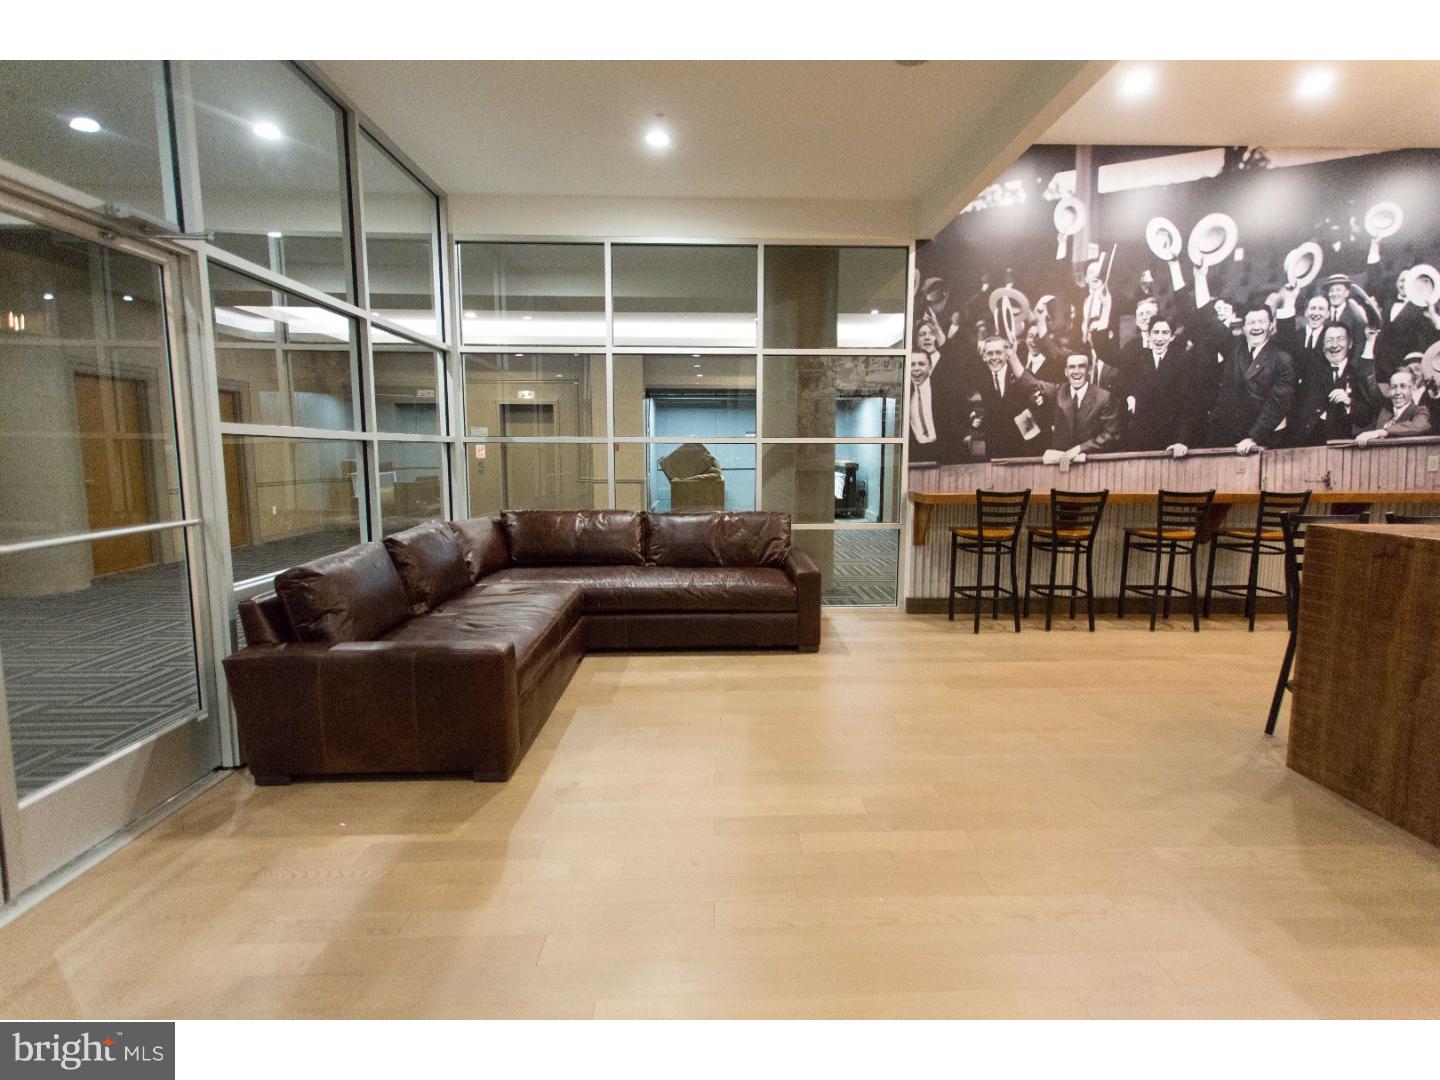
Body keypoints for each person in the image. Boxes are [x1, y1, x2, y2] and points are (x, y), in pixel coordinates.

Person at [1202, 304, 1296, 454]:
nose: (1256, 327)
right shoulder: (1234, 348)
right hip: (1227, 437)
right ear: (1243, 327)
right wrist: (1200, 281)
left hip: (1264, 439)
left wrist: (1253, 438)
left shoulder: (1282, 359)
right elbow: (1211, 321)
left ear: (1271, 325)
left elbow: (1277, 404)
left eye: (1262, 322)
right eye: (1251, 323)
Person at [1124, 316, 1202, 453]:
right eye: (1156, 332)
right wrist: (1130, 396)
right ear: (1148, 335)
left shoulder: (1183, 361)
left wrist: (1181, 441)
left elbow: (1189, 405)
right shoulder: (1139, 359)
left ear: (1172, 337)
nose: (1159, 338)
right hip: (1142, 440)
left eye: (1165, 333)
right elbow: (1127, 385)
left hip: (1171, 441)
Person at [1039, 353, 1123, 465]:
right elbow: (1032, 384)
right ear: (1066, 372)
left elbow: (1111, 435)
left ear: (1089, 370)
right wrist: (1011, 356)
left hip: (1093, 467)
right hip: (1063, 466)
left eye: (1081, 366)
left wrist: (1080, 449)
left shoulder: (1103, 397)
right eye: (1072, 367)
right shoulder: (1059, 391)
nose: (1076, 371)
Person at [973, 335, 1046, 459]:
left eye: (998, 353)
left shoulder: (1022, 376)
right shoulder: (982, 380)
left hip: (1023, 452)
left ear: (1007, 354)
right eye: (990, 353)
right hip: (995, 453)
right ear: (984, 356)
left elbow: (1039, 409)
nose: (994, 357)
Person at [1275, 295, 1334, 447]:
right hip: (1294, 410)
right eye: (1312, 308)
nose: (1316, 313)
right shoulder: (1295, 337)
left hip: (1319, 413)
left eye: (1321, 309)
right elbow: (1283, 334)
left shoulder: (1332, 340)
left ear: (1328, 313)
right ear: (1306, 312)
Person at [1313, 324, 1383, 442]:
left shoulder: (1359, 375)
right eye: (1329, 340)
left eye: (1340, 339)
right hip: (1311, 443)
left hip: (1346, 446)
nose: (1334, 345)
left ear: (1350, 344)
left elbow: (1369, 413)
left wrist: (1349, 402)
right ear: (1323, 345)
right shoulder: (1313, 372)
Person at [1355, 368, 1433, 444]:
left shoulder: (1420, 410)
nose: (1397, 392)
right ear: (1389, 391)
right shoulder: (1384, 413)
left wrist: (1382, 432)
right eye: (1393, 387)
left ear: (1413, 389)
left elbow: (1419, 426)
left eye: (1403, 386)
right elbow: (1363, 430)